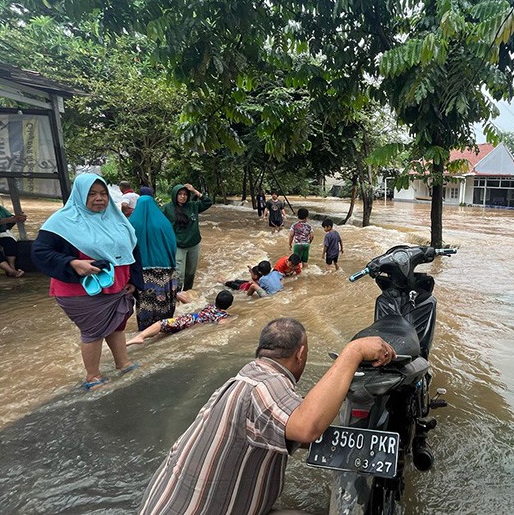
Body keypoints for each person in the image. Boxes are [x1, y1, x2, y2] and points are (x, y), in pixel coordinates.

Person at [139, 318, 396, 515]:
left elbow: (302, 434)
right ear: (301, 353)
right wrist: (353, 352)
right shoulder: (264, 386)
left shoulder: (249, 376)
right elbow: (308, 428)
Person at [32, 173, 142, 390]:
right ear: (80, 195)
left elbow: (133, 250)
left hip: (118, 286)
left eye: (103, 194)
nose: (99, 198)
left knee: (117, 326)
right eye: (91, 194)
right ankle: (93, 376)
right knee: (93, 332)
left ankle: (123, 363)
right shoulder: (62, 221)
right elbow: (39, 252)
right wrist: (73, 263)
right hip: (80, 289)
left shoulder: (117, 220)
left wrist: (135, 280)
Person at [129, 190, 183, 330]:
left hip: (142, 274)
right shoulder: (163, 222)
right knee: (165, 306)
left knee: (145, 306)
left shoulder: (130, 224)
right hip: (165, 272)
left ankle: (145, 335)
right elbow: (172, 246)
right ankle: (164, 332)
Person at [126, 290, 233, 346]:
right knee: (164, 328)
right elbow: (221, 325)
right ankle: (140, 337)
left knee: (162, 323)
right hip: (192, 325)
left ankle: (141, 336)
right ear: (230, 305)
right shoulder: (223, 316)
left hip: (188, 319)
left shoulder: (210, 306)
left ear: (216, 300)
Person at [162, 183, 213, 290]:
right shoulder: (167, 208)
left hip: (194, 245)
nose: (182, 196)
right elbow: (157, 223)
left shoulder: (193, 206)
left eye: (185, 194)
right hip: (178, 246)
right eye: (180, 194)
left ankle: (188, 292)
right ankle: (177, 295)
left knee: (190, 272)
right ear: (175, 195)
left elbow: (208, 202)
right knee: (179, 273)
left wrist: (195, 191)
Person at [0, 193, 27, 277]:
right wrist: (13, 219)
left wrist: (16, 218)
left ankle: (11, 268)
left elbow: (9, 218)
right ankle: (11, 271)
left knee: (9, 242)